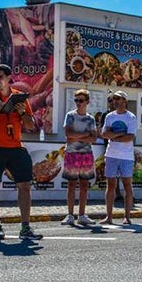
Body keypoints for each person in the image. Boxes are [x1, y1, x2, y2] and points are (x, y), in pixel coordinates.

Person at [0, 63, 43, 240]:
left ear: (8, 78)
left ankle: (25, 227)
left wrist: (22, 113)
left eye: (1, 77)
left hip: (15, 147)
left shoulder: (19, 98)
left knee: (25, 185)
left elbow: (30, 126)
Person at [61, 89, 97, 226]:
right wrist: (85, 135)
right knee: (71, 185)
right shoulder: (70, 115)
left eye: (81, 100)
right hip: (72, 153)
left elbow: (94, 138)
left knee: (84, 185)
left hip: (86, 154)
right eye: (76, 100)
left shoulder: (91, 118)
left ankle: (82, 215)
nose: (78, 103)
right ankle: (70, 215)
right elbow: (68, 134)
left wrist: (77, 136)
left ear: (87, 102)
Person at [100, 90, 137, 225]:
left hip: (126, 156)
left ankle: (127, 216)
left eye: (118, 98)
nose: (115, 101)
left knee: (127, 185)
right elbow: (104, 134)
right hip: (111, 154)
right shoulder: (109, 116)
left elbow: (130, 137)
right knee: (110, 185)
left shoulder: (131, 117)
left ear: (124, 101)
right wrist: (119, 134)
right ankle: (109, 216)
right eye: (114, 98)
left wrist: (113, 136)